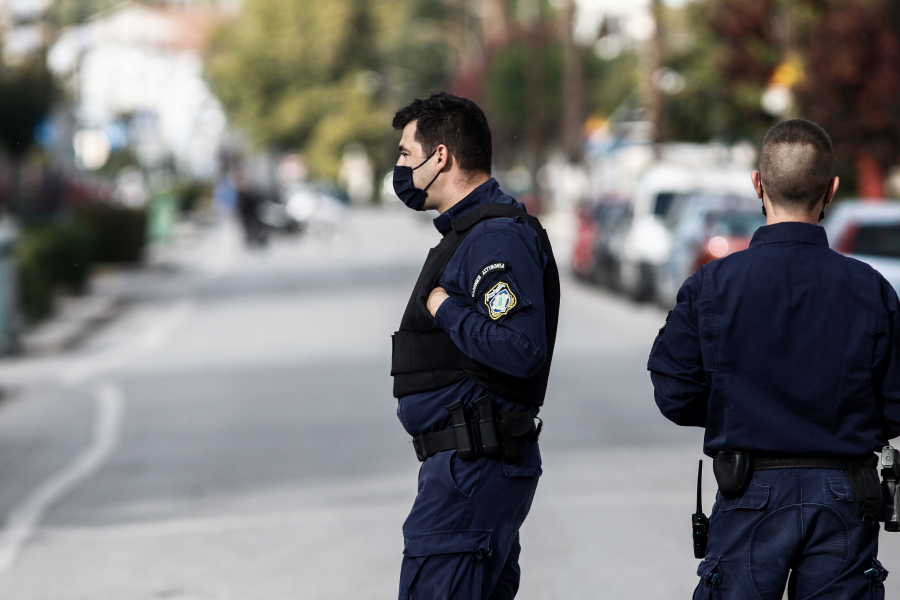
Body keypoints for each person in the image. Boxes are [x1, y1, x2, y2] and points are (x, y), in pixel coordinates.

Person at [648, 118, 900, 599]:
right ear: (831, 189)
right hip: (845, 494)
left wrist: (737, 409)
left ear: (757, 185)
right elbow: (896, 403)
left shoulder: (711, 285)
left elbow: (674, 391)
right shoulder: (871, 289)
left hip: (749, 489)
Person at [390, 92, 560, 600]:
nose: (400, 167)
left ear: (439, 156)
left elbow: (521, 348)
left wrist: (445, 308)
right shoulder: (472, 233)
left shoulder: (493, 238)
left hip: (473, 467)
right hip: (467, 467)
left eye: (405, 153)